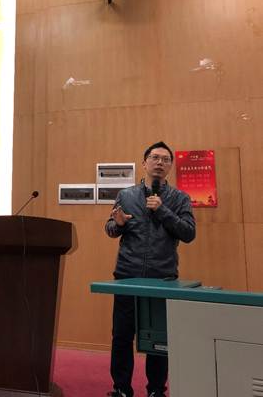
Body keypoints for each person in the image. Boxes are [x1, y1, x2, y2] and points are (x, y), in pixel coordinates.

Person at [104, 141, 196, 397]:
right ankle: (121, 388)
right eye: (155, 158)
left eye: (165, 159)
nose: (160, 163)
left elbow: (189, 233)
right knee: (121, 336)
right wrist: (118, 224)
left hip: (162, 278)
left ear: (170, 166)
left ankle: (156, 390)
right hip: (127, 276)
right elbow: (110, 229)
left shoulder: (179, 198)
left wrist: (163, 210)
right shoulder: (126, 196)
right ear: (144, 163)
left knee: (159, 339)